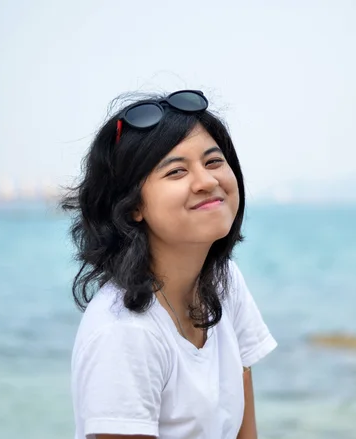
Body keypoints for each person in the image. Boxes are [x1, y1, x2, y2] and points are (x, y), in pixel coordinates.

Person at [62, 90, 277, 439]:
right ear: (132, 206)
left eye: (213, 162)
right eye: (177, 171)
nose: (207, 182)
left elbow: (243, 429)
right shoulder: (123, 332)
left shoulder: (224, 282)